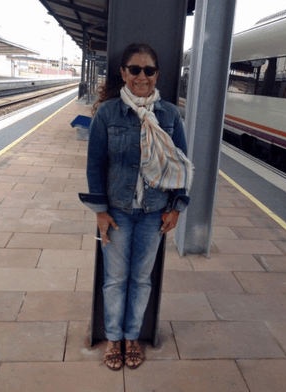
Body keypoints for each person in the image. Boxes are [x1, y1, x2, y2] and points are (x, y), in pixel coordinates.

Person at [79, 43, 193, 371]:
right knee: (115, 278)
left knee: (142, 279)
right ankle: (114, 339)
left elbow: (182, 165)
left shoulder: (169, 115)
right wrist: (100, 211)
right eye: (135, 69)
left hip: (154, 213)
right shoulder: (108, 114)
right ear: (123, 73)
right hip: (116, 212)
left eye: (149, 70)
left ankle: (132, 337)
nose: (142, 76)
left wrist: (177, 208)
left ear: (157, 74)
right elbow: (95, 165)